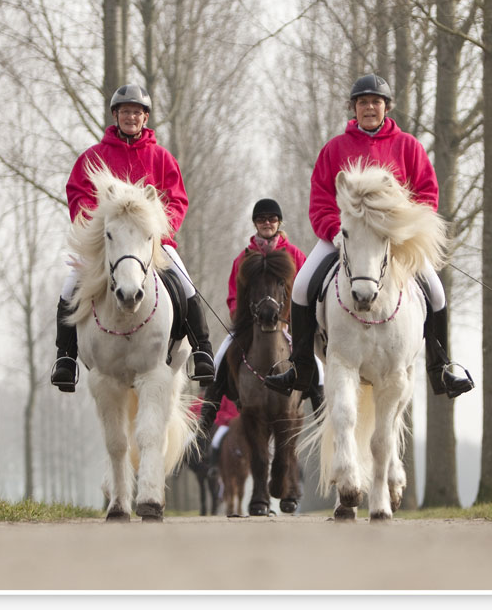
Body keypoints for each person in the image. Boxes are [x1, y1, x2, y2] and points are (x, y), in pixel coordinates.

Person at [264, 73, 474, 399]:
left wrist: (403, 230)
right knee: (303, 286)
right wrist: (336, 233)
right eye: (363, 102)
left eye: (376, 102)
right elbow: (320, 198)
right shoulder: (335, 149)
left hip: (393, 244)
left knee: (436, 292)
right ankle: (300, 366)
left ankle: (442, 367)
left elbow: (427, 196)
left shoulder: (408, 147)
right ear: (354, 108)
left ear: (386, 107)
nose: (370, 108)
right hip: (343, 239)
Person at [50, 84, 215, 392]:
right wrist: (95, 230)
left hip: (149, 243)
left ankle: (202, 350)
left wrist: (161, 229)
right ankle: (66, 358)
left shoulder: (162, 158)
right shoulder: (93, 157)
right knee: (70, 284)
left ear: (145, 118)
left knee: (184, 282)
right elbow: (78, 197)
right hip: (107, 245)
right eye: (125, 111)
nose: (131, 117)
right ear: (115, 115)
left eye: (137, 112)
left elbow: (177, 200)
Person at [202, 199, 323, 428]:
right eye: (261, 219)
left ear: (279, 222)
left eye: (272, 219)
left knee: (316, 364)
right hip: (251, 328)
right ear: (255, 223)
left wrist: (291, 322)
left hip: (288, 326)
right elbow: (232, 296)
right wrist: (243, 320)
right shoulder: (244, 257)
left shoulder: (295, 255)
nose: (267, 223)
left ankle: (321, 411)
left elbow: (305, 291)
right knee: (219, 358)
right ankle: (207, 418)